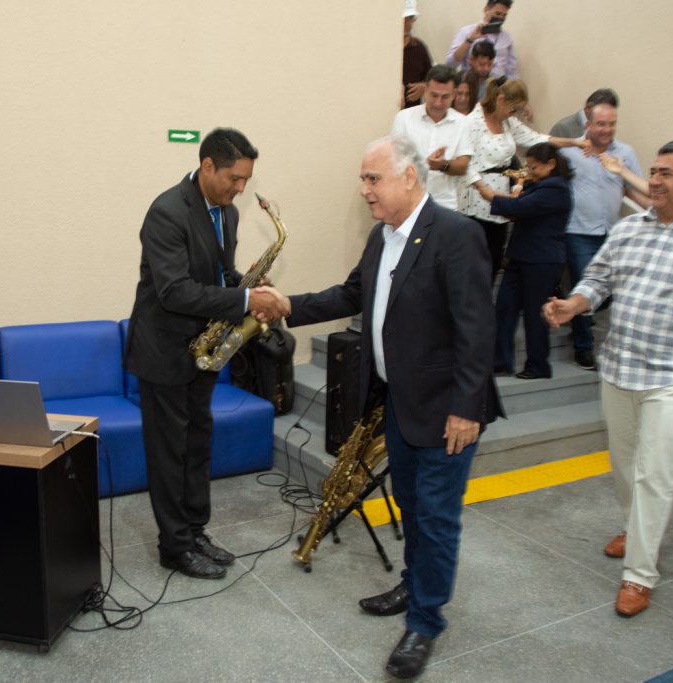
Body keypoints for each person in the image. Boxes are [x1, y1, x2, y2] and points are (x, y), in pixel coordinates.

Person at [283, 135, 502, 679]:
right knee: (410, 503)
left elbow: (478, 332)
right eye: (363, 180)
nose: (364, 191)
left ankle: (426, 622)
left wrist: (466, 408)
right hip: (399, 405)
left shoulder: (457, 235)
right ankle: (414, 584)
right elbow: (351, 295)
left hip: (446, 409)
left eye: (372, 179)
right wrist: (287, 305)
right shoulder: (383, 238)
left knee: (436, 516)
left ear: (408, 177)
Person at [542, 140, 673, 618]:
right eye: (652, 171)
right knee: (623, 463)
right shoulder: (629, 228)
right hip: (620, 368)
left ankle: (639, 574)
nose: (653, 181)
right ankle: (637, 530)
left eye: (665, 173)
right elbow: (599, 280)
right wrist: (574, 303)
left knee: (656, 472)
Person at [124, 128, 289, 580]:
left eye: (246, 181)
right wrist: (245, 302)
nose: (240, 189)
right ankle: (173, 546)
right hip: (164, 352)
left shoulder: (228, 215)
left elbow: (220, 273)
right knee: (168, 452)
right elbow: (175, 291)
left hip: (204, 350)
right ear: (208, 165)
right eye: (234, 179)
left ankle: (195, 530)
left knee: (197, 444)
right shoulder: (166, 212)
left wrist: (248, 285)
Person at [458, 77, 587, 280]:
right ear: (500, 100)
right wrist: (483, 189)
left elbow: (536, 138)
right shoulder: (471, 122)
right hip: (476, 199)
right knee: (473, 264)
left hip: (499, 199)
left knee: (493, 261)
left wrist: (574, 142)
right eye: (514, 108)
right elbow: (465, 162)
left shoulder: (508, 122)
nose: (515, 113)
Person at [559, 102, 649, 371]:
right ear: (588, 125)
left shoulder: (625, 153)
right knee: (584, 283)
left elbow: (632, 187)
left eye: (611, 124)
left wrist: (655, 210)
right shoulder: (570, 153)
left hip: (612, 232)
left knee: (610, 290)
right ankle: (584, 347)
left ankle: (579, 321)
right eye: (601, 124)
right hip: (578, 231)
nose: (607, 129)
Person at [480, 143, 573, 379]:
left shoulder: (557, 189)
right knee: (504, 307)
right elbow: (517, 206)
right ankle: (501, 360)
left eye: (533, 167)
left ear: (551, 164)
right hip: (520, 257)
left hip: (542, 260)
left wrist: (487, 192)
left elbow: (519, 206)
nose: (529, 171)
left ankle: (538, 365)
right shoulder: (538, 185)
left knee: (535, 314)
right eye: (527, 167)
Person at [391, 65, 473, 211]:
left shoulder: (463, 123)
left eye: (445, 97)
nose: (438, 103)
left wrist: (442, 165)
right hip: (407, 203)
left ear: (454, 94)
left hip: (444, 205)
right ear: (425, 91)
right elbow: (394, 160)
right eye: (434, 95)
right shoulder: (404, 118)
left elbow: (463, 166)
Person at [447, 1, 519, 80]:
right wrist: (469, 40)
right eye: (498, 14)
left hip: (497, 88)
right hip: (471, 87)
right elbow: (451, 64)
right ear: (486, 9)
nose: (501, 18)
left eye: (504, 15)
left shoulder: (506, 38)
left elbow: (512, 71)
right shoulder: (466, 32)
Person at [549, 88, 619, 139]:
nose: (607, 129)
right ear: (588, 107)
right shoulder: (563, 128)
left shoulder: (608, 129)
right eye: (602, 111)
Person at [401, 0, 433, 109]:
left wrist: (424, 86)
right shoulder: (383, 48)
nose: (407, 23)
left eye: (410, 18)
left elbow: (432, 78)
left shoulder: (419, 48)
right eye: (404, 18)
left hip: (411, 112)